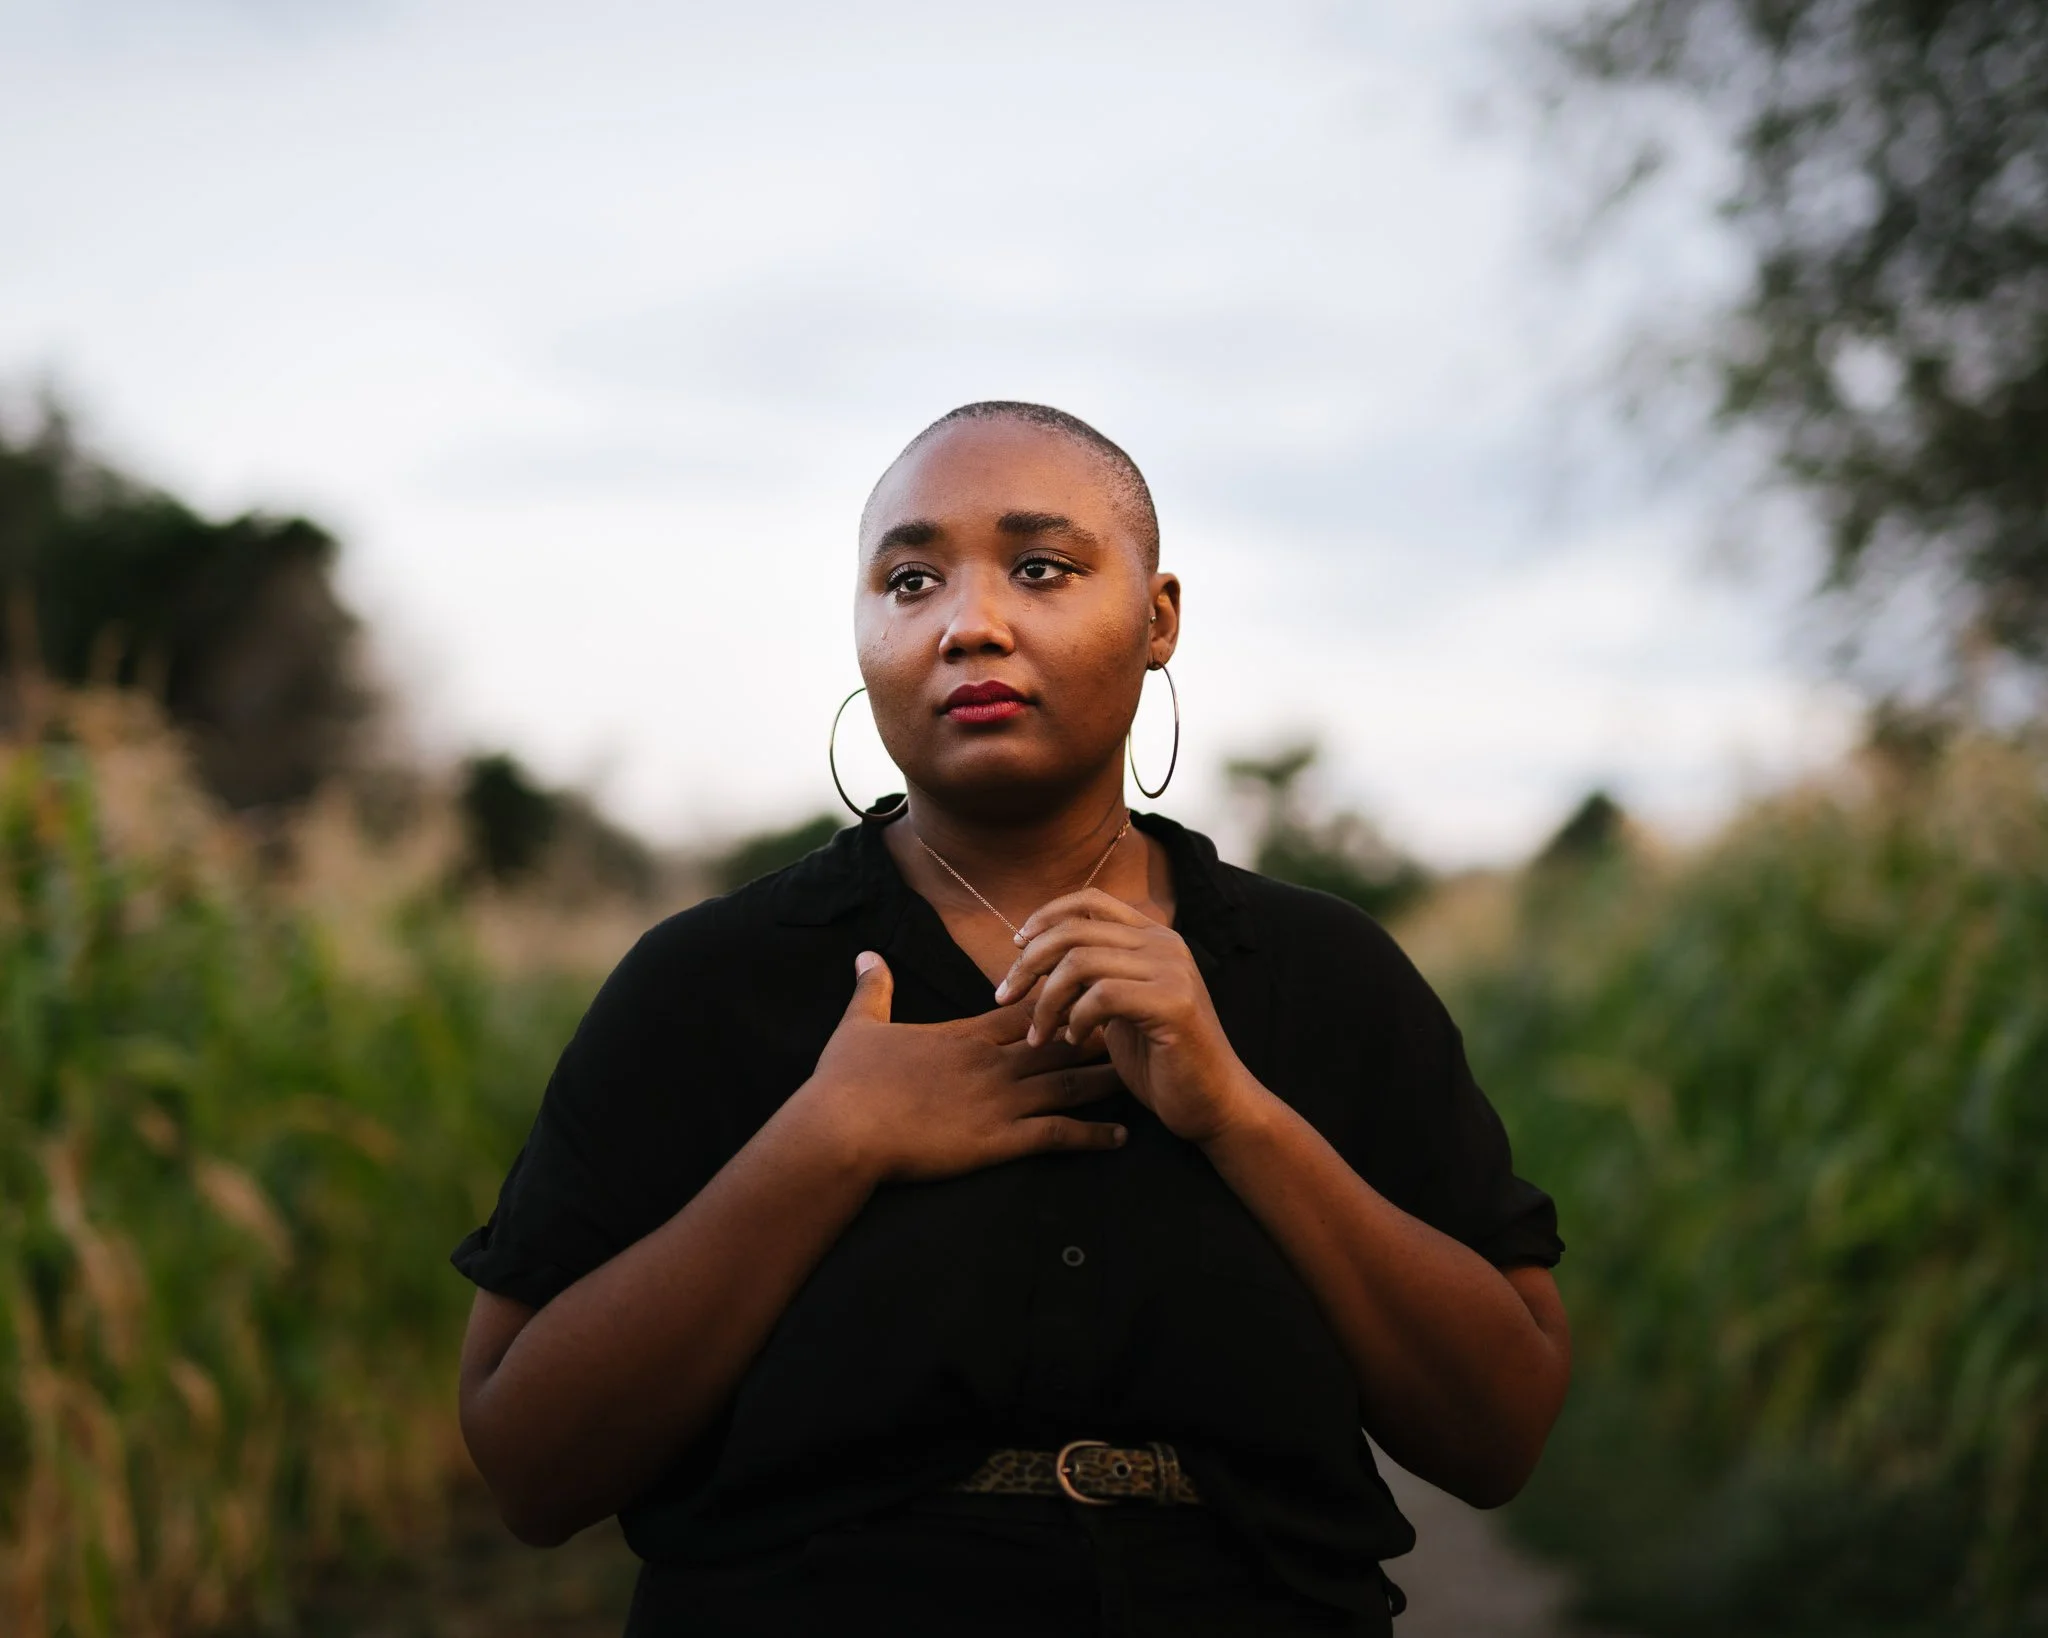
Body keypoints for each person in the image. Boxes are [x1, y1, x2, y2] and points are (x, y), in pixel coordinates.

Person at [451, 402, 1570, 1637]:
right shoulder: (711, 981)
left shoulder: (1322, 973)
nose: (967, 623)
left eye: (1041, 568)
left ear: (1158, 620)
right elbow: (527, 1465)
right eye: (909, 579)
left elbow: (1499, 1432)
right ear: (864, 629)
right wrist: (825, 1143)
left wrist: (1239, 1116)